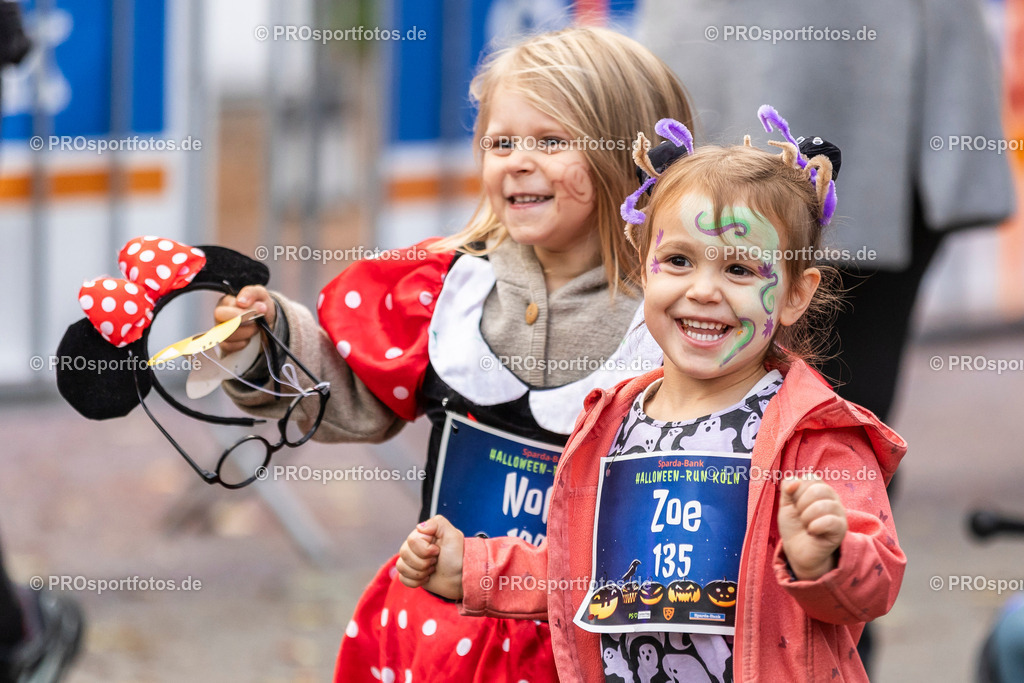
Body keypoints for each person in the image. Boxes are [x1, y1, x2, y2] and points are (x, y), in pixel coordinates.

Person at [214, 27, 694, 682]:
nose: (518, 161)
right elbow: (351, 395)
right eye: (502, 142)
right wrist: (266, 339)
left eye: (550, 141)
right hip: (441, 630)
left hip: (593, 640)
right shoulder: (451, 287)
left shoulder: (676, 315)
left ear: (633, 157)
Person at [396, 112, 907, 682]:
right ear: (645, 269)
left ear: (795, 295)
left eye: (740, 269)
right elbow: (581, 573)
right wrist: (473, 567)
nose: (704, 290)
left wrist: (827, 558)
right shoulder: (611, 423)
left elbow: (877, 579)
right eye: (679, 261)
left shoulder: (814, 434)